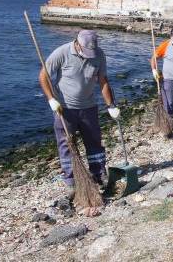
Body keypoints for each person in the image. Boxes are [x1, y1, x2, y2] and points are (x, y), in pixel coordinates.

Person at [39, 30, 119, 198]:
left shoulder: (99, 55)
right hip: (65, 110)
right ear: (77, 43)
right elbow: (43, 77)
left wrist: (111, 105)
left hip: (89, 107)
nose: (90, 55)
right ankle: (71, 180)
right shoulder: (61, 53)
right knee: (67, 145)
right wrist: (51, 100)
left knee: (94, 142)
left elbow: (103, 81)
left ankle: (99, 174)